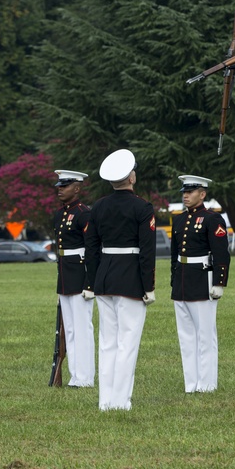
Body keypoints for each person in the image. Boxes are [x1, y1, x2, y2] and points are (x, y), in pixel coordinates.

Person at [83, 149, 156, 411]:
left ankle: (105, 401)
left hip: (104, 278)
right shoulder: (142, 207)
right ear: (132, 177)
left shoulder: (98, 206)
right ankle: (120, 401)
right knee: (128, 342)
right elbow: (147, 251)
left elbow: (91, 249)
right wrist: (148, 286)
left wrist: (92, 282)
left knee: (107, 342)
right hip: (131, 279)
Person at [170, 174, 230, 393]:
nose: (186, 196)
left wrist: (219, 282)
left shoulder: (212, 219)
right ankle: (191, 383)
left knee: (205, 335)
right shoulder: (178, 219)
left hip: (202, 278)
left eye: (190, 192)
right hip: (182, 279)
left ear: (202, 194)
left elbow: (221, 252)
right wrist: (173, 280)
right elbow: (174, 254)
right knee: (186, 336)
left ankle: (206, 384)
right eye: (184, 192)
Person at [52, 169, 95, 388]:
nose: (60, 189)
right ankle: (74, 376)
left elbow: (92, 250)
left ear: (77, 188)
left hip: (80, 274)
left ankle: (85, 377)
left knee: (82, 327)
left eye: (65, 185)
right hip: (65, 275)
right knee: (69, 328)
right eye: (59, 185)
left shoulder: (84, 214)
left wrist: (90, 282)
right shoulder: (60, 214)